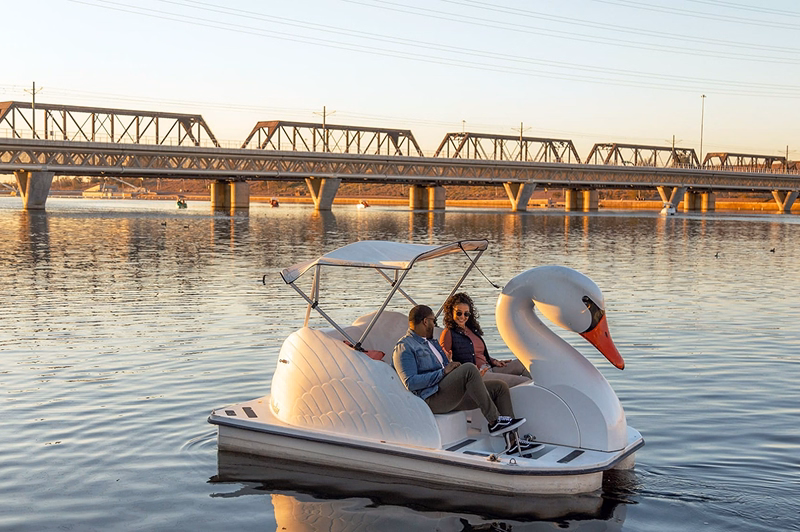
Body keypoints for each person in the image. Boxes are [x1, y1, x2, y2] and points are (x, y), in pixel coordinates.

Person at [393, 305, 534, 451]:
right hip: (432, 399)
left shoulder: (431, 343)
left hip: (446, 393)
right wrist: (443, 372)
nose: (435, 325)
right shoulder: (404, 347)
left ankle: (513, 442)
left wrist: (451, 366)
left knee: (499, 387)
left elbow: (445, 369)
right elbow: (410, 383)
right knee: (468, 368)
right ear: (425, 321)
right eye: (433, 321)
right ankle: (494, 421)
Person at [439, 293, 532, 388]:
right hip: (478, 375)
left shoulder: (472, 330)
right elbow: (443, 360)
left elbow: (479, 353)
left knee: (525, 364)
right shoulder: (448, 333)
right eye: (459, 313)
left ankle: (529, 394)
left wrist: (494, 361)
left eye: (466, 313)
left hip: (489, 368)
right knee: (526, 381)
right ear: (451, 312)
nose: (462, 316)